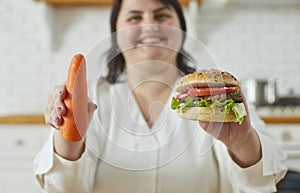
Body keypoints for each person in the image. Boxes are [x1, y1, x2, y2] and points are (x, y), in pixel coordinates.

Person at [34, 0, 287, 192]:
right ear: (116, 33)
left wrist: (241, 142)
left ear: (181, 29)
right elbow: (63, 187)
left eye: (162, 15)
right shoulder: (90, 99)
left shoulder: (218, 96)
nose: (150, 25)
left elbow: (262, 181)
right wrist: (68, 133)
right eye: (134, 17)